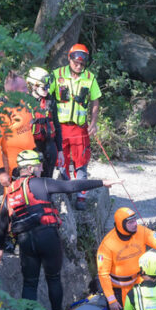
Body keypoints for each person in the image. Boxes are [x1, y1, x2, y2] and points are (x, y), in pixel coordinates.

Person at [0, 150, 121, 310]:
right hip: (47, 237)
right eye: (39, 164)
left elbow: (3, 219)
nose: (42, 167)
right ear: (30, 168)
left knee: (29, 283)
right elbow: (70, 186)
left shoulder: (11, 191)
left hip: (26, 241)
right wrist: (101, 183)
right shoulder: (41, 183)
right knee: (53, 278)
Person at [50, 43, 102, 210]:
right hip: (60, 128)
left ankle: (81, 196)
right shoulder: (56, 75)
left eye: (82, 64)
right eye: (75, 63)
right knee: (61, 161)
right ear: (69, 59)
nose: (79, 66)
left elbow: (95, 100)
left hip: (80, 128)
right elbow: (44, 94)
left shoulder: (90, 78)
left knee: (81, 161)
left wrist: (93, 123)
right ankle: (66, 190)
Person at [96, 207, 156, 310]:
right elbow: (103, 274)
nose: (135, 224)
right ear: (121, 224)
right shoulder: (107, 244)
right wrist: (112, 300)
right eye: (130, 222)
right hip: (119, 288)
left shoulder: (141, 231)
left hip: (140, 281)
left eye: (135, 220)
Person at [0, 72, 35, 186]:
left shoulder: (23, 103)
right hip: (14, 167)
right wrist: (1, 172)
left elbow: (28, 132)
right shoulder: (0, 112)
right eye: (24, 88)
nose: (27, 91)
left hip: (31, 162)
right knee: (15, 200)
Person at [26, 67, 65, 180]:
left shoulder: (50, 101)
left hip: (49, 143)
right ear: (34, 85)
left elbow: (57, 126)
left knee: (48, 177)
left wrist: (60, 151)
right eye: (44, 87)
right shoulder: (24, 101)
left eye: (49, 86)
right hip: (32, 145)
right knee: (33, 178)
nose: (47, 89)